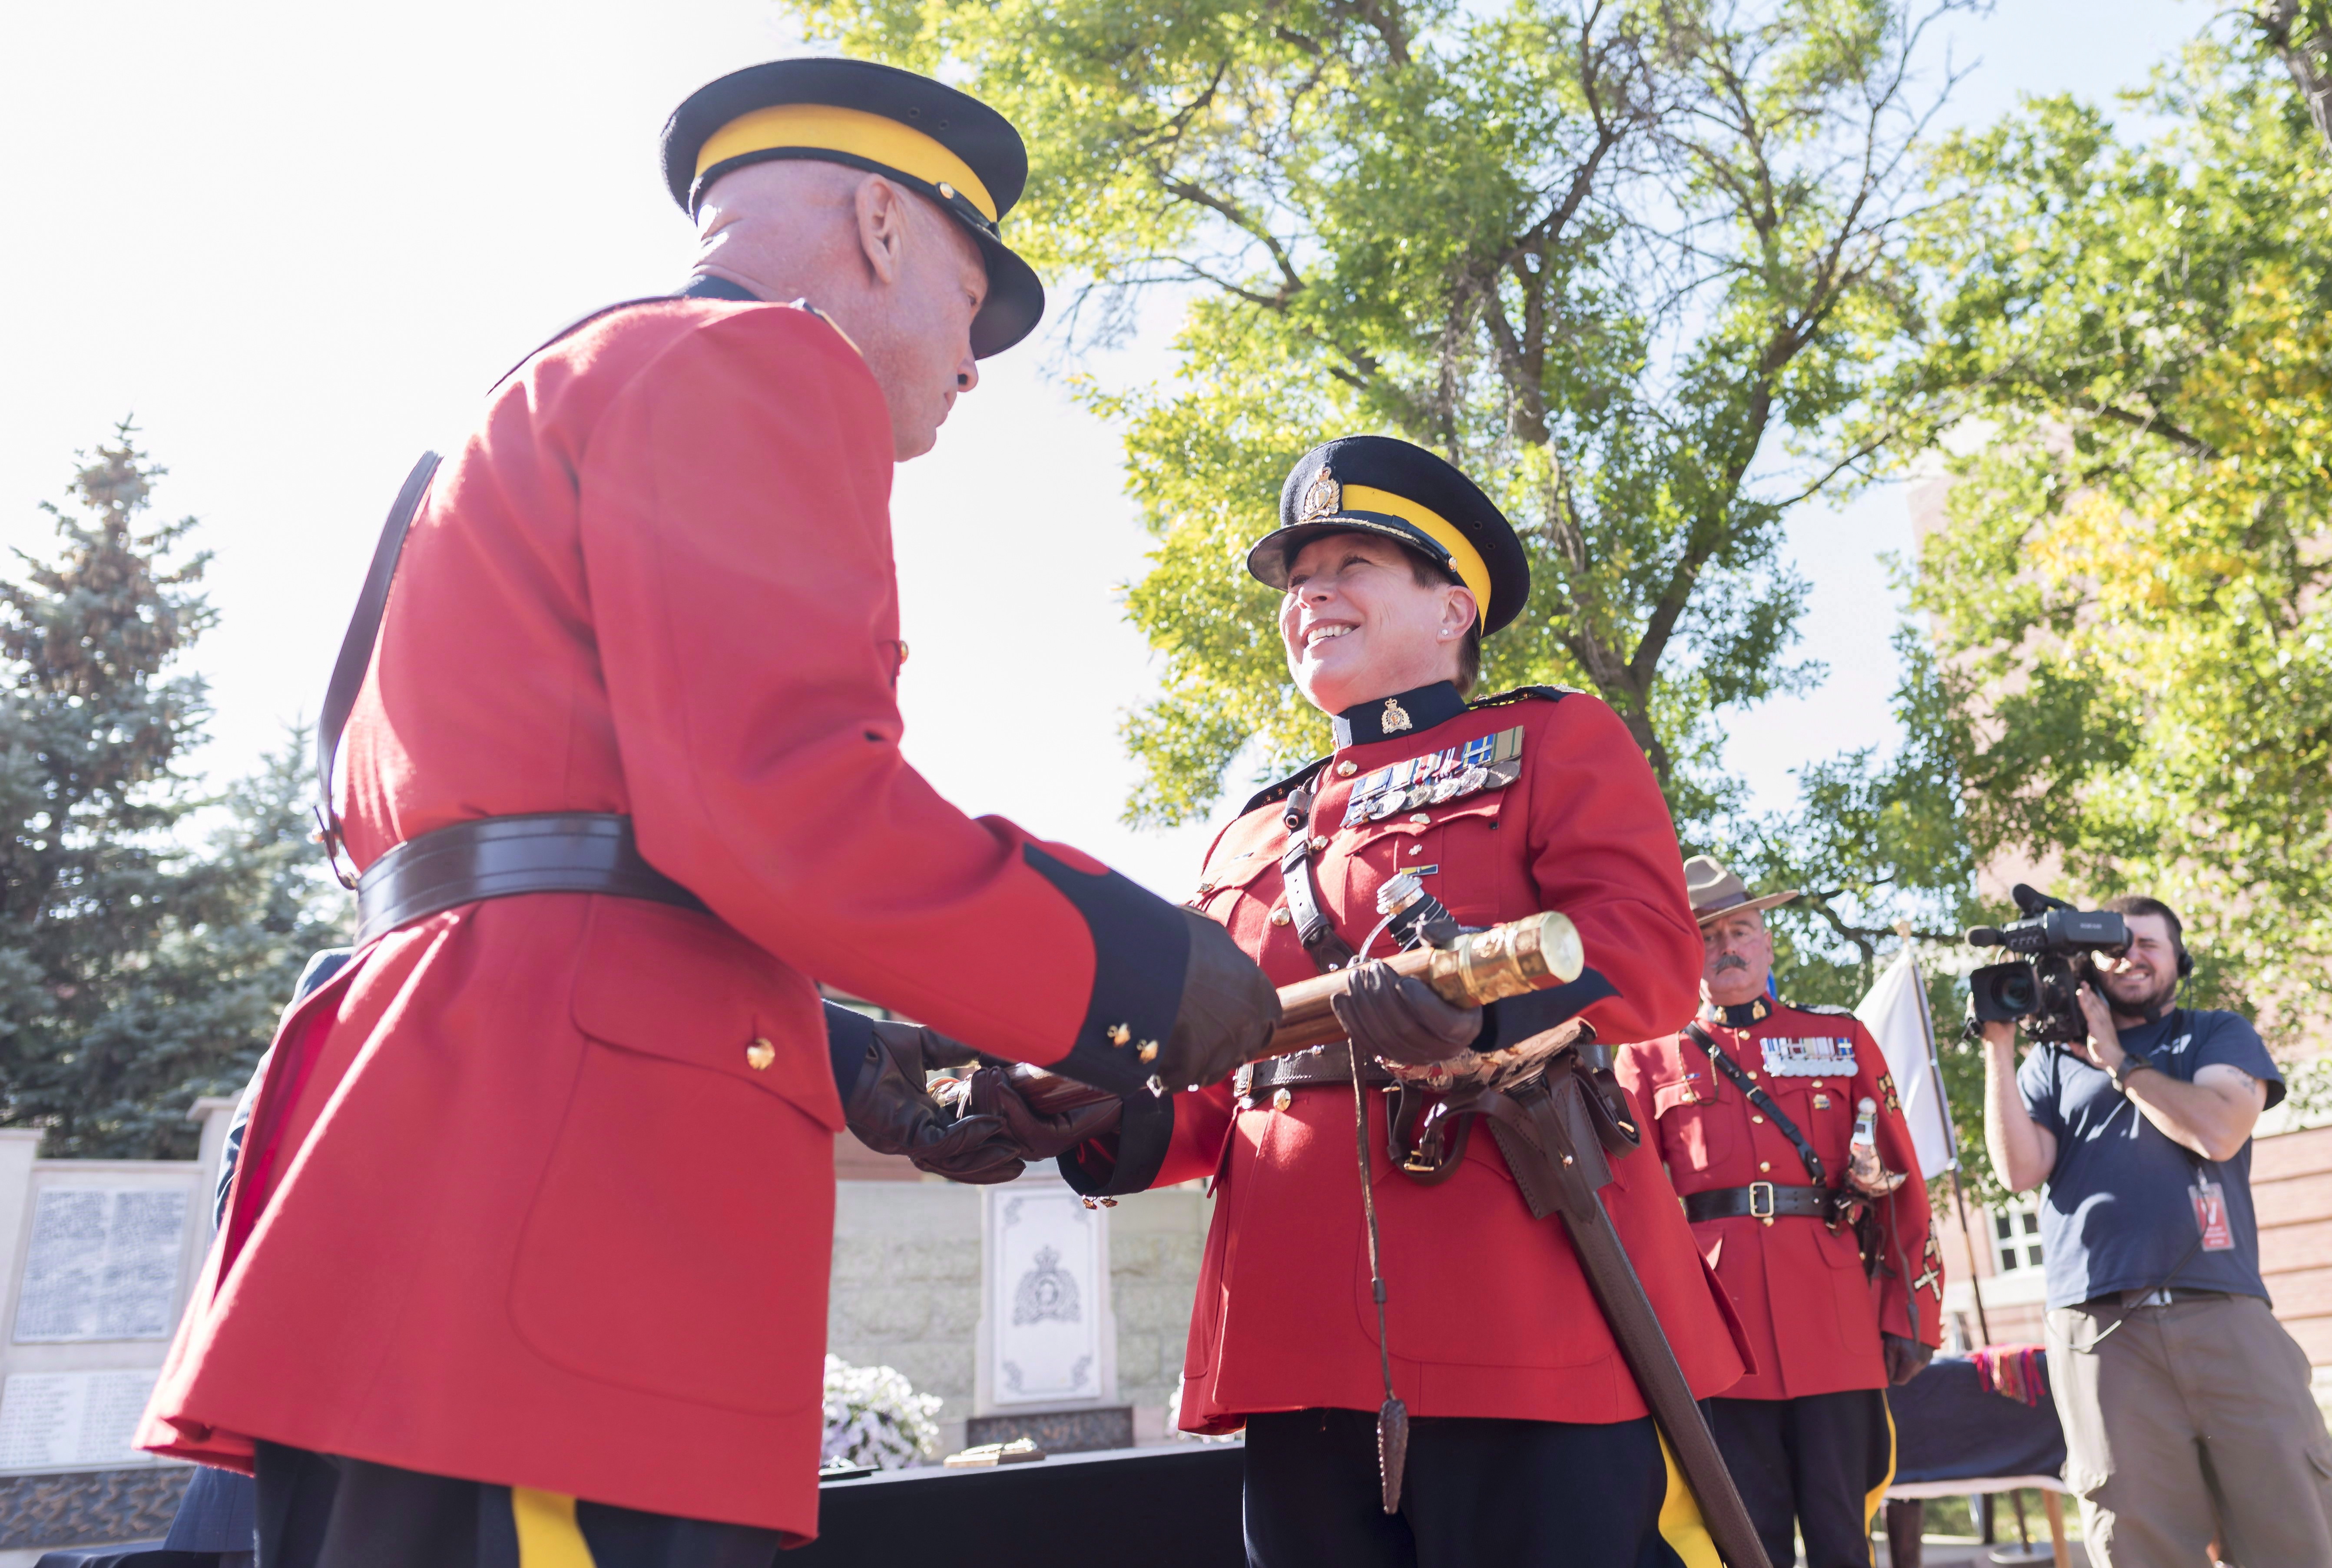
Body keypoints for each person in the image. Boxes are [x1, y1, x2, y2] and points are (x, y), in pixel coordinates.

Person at [133, 58, 1277, 1566]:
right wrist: (1142, 983)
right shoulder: (760, 364)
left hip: (436, 1153)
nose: (976, 356)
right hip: (574, 1203)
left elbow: (561, 854)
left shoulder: (544, 398)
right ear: (879, 220)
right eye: (970, 285)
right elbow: (783, 800)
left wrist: (866, 1062)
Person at [967, 435, 1752, 1567]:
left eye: (1353, 563)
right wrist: (1074, 1113)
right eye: (1297, 580)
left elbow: (1649, 953)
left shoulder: (1553, 739)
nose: (1311, 594)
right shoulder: (1249, 832)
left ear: (1454, 610)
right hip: (1293, 1338)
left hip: (1524, 1311)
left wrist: (1483, 1015)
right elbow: (1207, 1091)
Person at [1980, 894, 2332, 1568]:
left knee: (2293, 1523)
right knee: (2138, 1538)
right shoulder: (2052, 1063)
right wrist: (1999, 1050)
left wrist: (2118, 1062)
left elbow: (2216, 1129)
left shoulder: (2215, 1033)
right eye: (2116, 945)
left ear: (2180, 956)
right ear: (2090, 965)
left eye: (2148, 942)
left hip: (2224, 1312)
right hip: (2100, 1330)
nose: (2133, 955)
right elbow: (2019, 1170)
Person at [1614, 859, 1941, 1568]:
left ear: (1768, 943)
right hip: (1718, 1332)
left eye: (1742, 928)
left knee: (1842, 1534)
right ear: (1684, 949)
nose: (1727, 944)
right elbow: (1629, 1209)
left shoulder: (1841, 1039)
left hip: (1834, 1322)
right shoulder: (1646, 1058)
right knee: (1743, 1538)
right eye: (1707, 933)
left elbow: (1901, 1183)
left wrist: (1909, 1313)